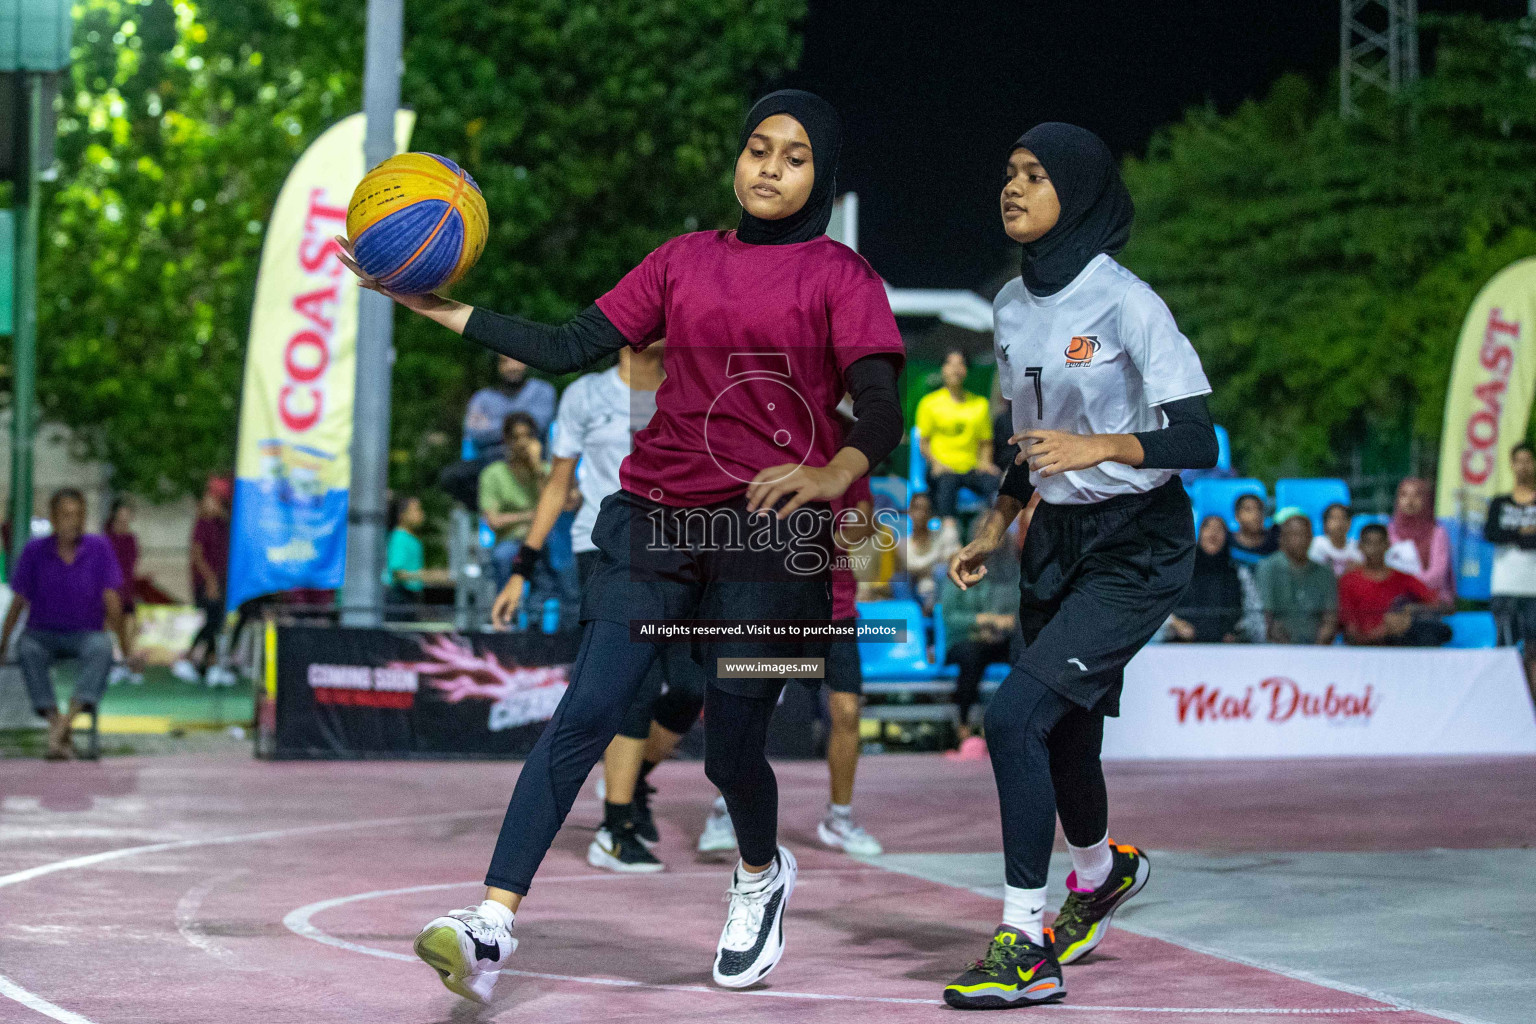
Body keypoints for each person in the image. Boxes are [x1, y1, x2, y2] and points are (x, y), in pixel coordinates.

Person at [338, 89, 906, 998]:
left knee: (730, 751)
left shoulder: (842, 277)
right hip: (656, 515)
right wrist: (427, 303)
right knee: (589, 707)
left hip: (773, 536)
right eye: (757, 147)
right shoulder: (683, 261)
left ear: (820, 176)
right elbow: (568, 343)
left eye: (793, 156)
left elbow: (881, 408)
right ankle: (490, 924)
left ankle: (761, 874)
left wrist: (838, 472)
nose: (767, 167)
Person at [943, 123, 1217, 1009]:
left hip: (1138, 540)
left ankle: (1025, 942)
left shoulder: (1128, 301)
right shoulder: (1012, 306)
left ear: (1082, 192)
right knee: (1065, 735)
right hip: (1054, 539)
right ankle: (1098, 875)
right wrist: (998, 524)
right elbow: (1027, 441)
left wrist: (1097, 444)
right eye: (1009, 172)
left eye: (1035, 175)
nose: (1013, 188)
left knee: (1014, 715)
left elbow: (1200, 435)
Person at [488, 337, 700, 875]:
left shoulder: (688, 387)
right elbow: (558, 486)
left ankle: (632, 779)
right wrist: (522, 569)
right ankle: (615, 826)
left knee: (695, 685)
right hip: (603, 547)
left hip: (678, 549)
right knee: (637, 687)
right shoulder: (586, 395)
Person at [0, 489, 138, 760]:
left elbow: (113, 602)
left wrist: (126, 648)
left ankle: (65, 724)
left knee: (101, 648)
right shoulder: (34, 551)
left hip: (87, 633)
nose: (72, 521)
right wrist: (2, 645)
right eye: (66, 515)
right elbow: (18, 602)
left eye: (79, 515)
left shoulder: (99, 548)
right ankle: (56, 723)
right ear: (53, 517)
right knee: (27, 648)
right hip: (42, 633)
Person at [438, 356, 558, 508]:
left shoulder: (543, 390)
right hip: (491, 458)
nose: (512, 367)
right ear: (497, 366)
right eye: (505, 361)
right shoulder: (482, 397)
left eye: (517, 360)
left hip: (530, 456)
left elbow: (539, 424)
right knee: (451, 476)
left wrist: (492, 422)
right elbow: (474, 431)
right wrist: (520, 419)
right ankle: (489, 511)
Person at [916, 350, 1002, 529]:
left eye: (960, 364)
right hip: (943, 469)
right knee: (947, 483)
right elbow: (923, 443)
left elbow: (985, 442)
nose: (955, 369)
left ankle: (992, 530)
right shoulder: (928, 403)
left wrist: (985, 463)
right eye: (950, 364)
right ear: (943, 369)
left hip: (971, 469)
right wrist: (936, 463)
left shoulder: (980, 404)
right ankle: (949, 533)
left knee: (997, 483)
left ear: (966, 370)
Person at [1338, 524, 1452, 646]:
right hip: (1360, 653)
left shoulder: (1403, 579)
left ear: (1388, 545)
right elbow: (1349, 632)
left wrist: (1411, 611)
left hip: (1400, 650)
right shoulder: (1348, 581)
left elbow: (1444, 606)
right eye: (1369, 543)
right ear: (1360, 546)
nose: (1374, 549)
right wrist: (1383, 631)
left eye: (1379, 543)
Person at [172, 478, 236, 686]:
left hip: (219, 579)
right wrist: (210, 580)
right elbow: (197, 556)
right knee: (211, 622)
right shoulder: (202, 524)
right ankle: (188, 658)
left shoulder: (221, 524)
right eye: (211, 499)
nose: (214, 503)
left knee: (217, 622)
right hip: (206, 581)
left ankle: (211, 665)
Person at [1485, 442, 1536, 695]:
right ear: (1512, 464)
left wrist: (1516, 536)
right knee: (1505, 642)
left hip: (1533, 585)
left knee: (1533, 646)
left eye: (1529, 460)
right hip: (1505, 583)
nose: (1524, 466)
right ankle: (1506, 696)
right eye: (1520, 460)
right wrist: (1522, 533)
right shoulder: (1500, 502)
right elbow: (1491, 533)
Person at [478, 412, 549, 591]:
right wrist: (531, 516)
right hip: (511, 543)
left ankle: (550, 615)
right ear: (507, 441)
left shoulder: (547, 471)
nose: (522, 443)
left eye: (528, 436)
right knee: (502, 556)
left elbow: (560, 506)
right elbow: (493, 521)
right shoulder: (493, 474)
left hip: (546, 542)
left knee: (560, 558)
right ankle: (506, 614)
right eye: (516, 437)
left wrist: (537, 469)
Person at [1255, 513, 1338, 645]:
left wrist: (1317, 647)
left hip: (1318, 649)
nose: (1301, 540)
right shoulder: (1267, 568)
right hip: (1279, 648)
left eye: (1305, 534)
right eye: (1294, 534)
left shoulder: (1324, 572)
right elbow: (1266, 616)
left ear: (1311, 538)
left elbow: (1330, 617)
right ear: (1282, 539)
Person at [1166, 515, 1243, 643]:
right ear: (1199, 534)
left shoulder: (1237, 572)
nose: (1213, 533)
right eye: (1208, 527)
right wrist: (1175, 624)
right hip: (1179, 644)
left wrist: (1236, 633)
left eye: (1219, 529)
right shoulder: (1180, 569)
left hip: (1228, 648)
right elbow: (1161, 603)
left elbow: (1250, 609)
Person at [1386, 477, 1455, 603]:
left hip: (1431, 601)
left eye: (1417, 495)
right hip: (1394, 602)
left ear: (1426, 500)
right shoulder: (1389, 532)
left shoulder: (1437, 533)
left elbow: (1436, 576)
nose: (1410, 501)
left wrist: (1409, 586)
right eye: (1404, 495)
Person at [383, 496, 449, 616]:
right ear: (402, 515)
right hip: (399, 599)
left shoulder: (412, 539)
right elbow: (398, 573)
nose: (421, 514)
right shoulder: (399, 538)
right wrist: (431, 576)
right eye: (416, 510)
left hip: (410, 598)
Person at [104, 498, 145, 685]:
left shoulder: (131, 539)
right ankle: (114, 666)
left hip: (127, 590)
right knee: (112, 628)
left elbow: (132, 566)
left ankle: (126, 666)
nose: (127, 516)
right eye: (124, 511)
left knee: (128, 630)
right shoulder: (106, 538)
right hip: (110, 591)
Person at [903, 491, 961, 612]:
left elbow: (955, 557)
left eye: (926, 510)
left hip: (936, 594)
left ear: (931, 514)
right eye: (917, 508)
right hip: (912, 595)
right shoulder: (903, 544)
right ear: (909, 511)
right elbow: (905, 571)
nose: (921, 514)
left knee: (942, 571)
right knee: (900, 579)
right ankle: (910, 613)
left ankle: (935, 614)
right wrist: (932, 566)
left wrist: (920, 570)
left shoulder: (941, 537)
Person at [1309, 502, 1361, 577]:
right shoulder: (1316, 545)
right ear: (1325, 523)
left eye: (1343, 518)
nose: (1339, 523)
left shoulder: (1357, 547)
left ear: (1349, 523)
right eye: (1334, 518)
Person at [1228, 493, 1277, 566]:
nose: (1256, 515)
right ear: (1237, 516)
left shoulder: (1275, 543)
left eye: (1259, 509)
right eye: (1248, 510)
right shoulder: (1226, 542)